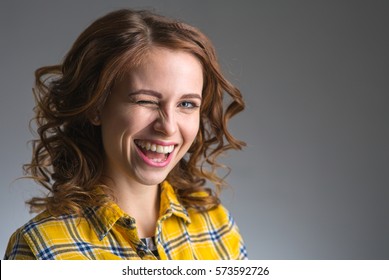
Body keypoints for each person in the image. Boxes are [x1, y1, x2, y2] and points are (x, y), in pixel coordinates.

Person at [4, 9, 247, 260]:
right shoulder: (42, 248)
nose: (169, 127)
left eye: (186, 104)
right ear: (96, 106)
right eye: (146, 101)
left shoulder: (217, 227)